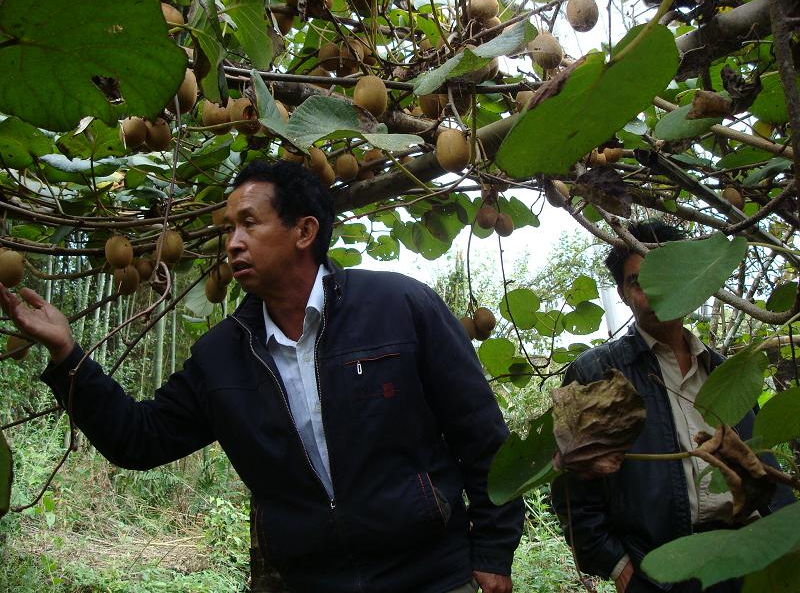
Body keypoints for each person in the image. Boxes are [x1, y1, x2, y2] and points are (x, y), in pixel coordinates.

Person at [0, 160, 524, 593]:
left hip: (431, 577)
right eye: (229, 227)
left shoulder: (400, 306)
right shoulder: (221, 355)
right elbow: (139, 438)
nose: (232, 242)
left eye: (249, 223)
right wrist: (68, 353)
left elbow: (482, 436)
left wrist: (494, 553)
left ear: (304, 231)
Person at [550, 220, 795, 593]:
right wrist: (617, 565)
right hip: (661, 573)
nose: (655, 289)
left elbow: (761, 465)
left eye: (666, 275)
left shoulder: (724, 370)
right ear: (623, 292)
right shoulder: (598, 373)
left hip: (744, 556)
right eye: (638, 281)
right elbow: (573, 489)